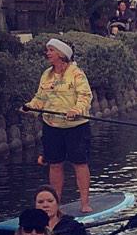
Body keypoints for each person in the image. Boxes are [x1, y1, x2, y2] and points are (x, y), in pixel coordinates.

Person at [24, 38, 93, 212]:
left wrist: (77, 109)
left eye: (51, 50)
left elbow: (85, 96)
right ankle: (56, 205)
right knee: (54, 164)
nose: (47, 53)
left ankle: (85, 203)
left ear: (61, 54)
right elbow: (40, 98)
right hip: (51, 126)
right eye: (47, 50)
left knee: (80, 163)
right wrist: (30, 107)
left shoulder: (76, 73)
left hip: (76, 126)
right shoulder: (46, 74)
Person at [33, 185, 100, 235]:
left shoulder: (72, 225)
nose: (45, 205)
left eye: (50, 201)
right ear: (35, 206)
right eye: (40, 202)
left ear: (57, 204)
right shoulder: (29, 228)